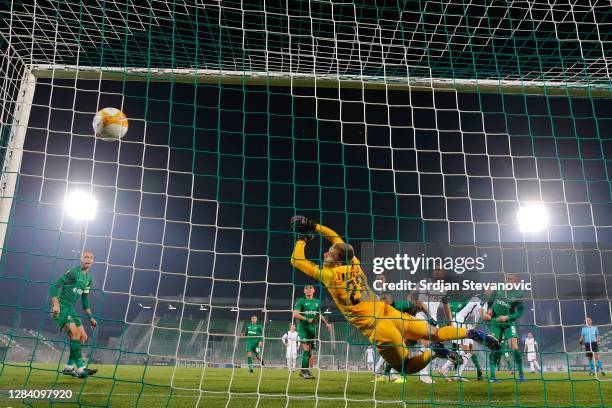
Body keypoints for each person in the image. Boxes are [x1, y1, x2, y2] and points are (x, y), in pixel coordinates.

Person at [289, 216, 499, 378]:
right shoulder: (354, 263)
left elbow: (296, 261)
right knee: (435, 332)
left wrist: (302, 238)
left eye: (329, 254)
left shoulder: (329, 275)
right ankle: (471, 333)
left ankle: (434, 352)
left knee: (406, 367)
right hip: (389, 312)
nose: (325, 254)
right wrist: (315, 226)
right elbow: (335, 237)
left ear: (337, 261)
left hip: (377, 326)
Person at [50, 250, 98, 378]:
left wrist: (91, 317)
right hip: (61, 308)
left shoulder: (88, 279)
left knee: (83, 337)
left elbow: (85, 299)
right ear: (81, 259)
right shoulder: (73, 272)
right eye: (86, 257)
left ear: (93, 261)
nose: (88, 259)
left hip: (71, 309)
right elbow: (54, 286)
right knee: (75, 334)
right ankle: (82, 368)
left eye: (91, 257)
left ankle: (69, 367)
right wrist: (56, 304)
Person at [484, 274, 525, 382]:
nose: (507, 281)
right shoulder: (499, 289)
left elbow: (520, 312)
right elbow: (490, 301)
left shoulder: (519, 294)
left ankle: (521, 374)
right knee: (494, 348)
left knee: (514, 347)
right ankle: (492, 377)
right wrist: (489, 308)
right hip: (496, 322)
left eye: (510, 279)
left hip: (509, 323)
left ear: (515, 282)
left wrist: (507, 317)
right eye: (506, 279)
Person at [415, 268, 453, 384]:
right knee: (427, 343)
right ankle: (423, 374)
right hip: (421, 316)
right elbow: (416, 300)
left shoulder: (444, 289)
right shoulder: (423, 282)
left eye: (440, 270)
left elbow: (447, 308)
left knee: (435, 347)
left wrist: (450, 322)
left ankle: (419, 370)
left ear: (444, 273)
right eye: (435, 270)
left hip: (433, 320)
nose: (437, 272)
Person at [440, 294, 488, 381]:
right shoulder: (481, 300)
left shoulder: (482, 302)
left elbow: (476, 319)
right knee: (465, 350)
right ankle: (444, 369)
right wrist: (492, 317)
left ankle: (458, 375)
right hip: (460, 322)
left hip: (465, 324)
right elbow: (483, 315)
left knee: (470, 350)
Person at [293, 285, 333, 379]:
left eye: (310, 288)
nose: (308, 290)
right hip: (303, 328)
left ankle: (305, 371)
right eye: (306, 288)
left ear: (314, 290)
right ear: (304, 291)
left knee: (310, 351)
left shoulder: (317, 302)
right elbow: (295, 314)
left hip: (312, 328)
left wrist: (327, 323)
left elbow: (319, 313)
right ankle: (304, 371)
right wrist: (306, 319)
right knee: (306, 348)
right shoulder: (301, 301)